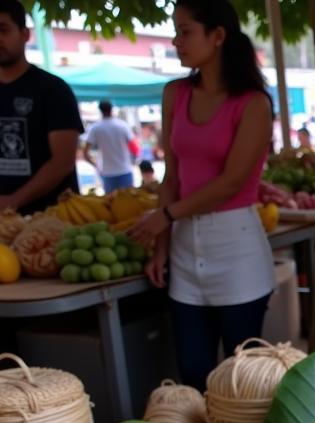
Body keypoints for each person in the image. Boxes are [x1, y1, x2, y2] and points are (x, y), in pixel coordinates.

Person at [128, 0, 276, 392]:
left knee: (242, 380)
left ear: (218, 36)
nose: (176, 41)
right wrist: (161, 246)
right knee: (192, 373)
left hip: (236, 249)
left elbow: (232, 181)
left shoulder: (253, 103)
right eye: (175, 31)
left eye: (185, 31)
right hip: (184, 251)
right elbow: (171, 176)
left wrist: (168, 217)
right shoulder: (175, 93)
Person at [0, 0, 81, 213]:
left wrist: (12, 201)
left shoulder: (53, 90)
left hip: (53, 222)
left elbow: (63, 162)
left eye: (3, 29)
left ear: (25, 34)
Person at [81, 99, 136, 193]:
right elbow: (134, 147)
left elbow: (85, 153)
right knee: (129, 201)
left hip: (107, 172)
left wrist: (96, 165)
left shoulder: (95, 128)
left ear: (100, 110)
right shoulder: (122, 125)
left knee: (111, 204)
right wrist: (134, 161)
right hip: (124, 169)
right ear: (111, 109)